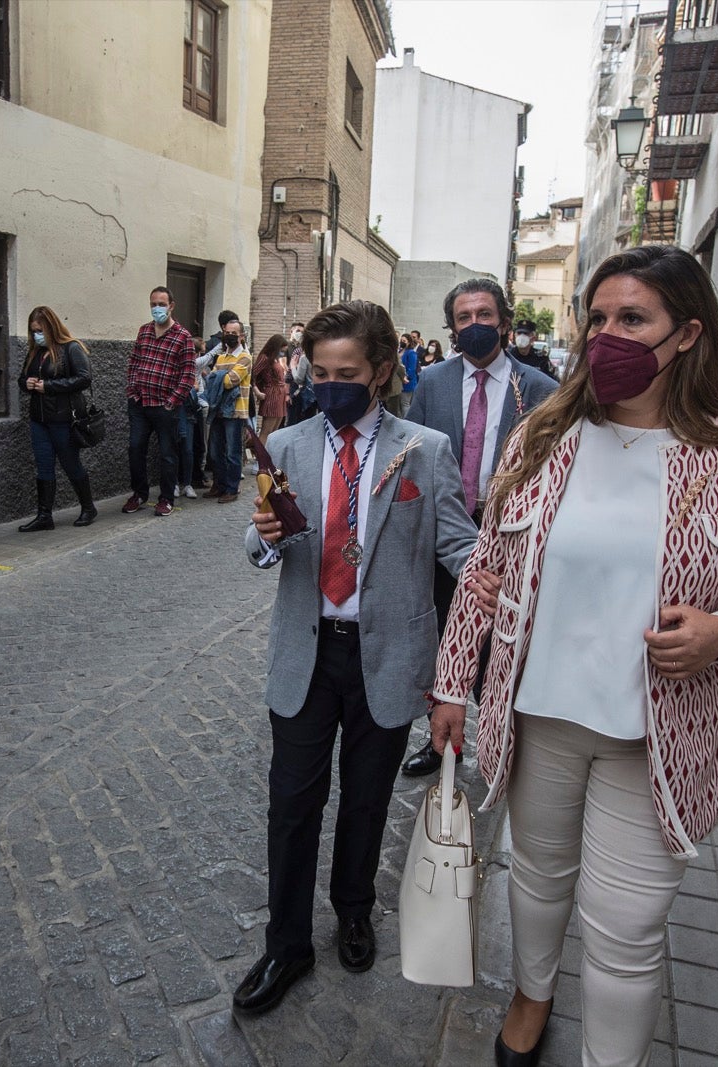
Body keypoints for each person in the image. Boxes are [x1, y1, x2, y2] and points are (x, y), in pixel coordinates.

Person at [430, 246, 718, 1066]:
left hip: (658, 737)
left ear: (688, 334)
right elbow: (484, 572)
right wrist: (454, 683)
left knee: (626, 924)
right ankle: (533, 992)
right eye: (597, 318)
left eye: (632, 319)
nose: (607, 335)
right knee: (537, 878)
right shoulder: (541, 435)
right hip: (541, 714)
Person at [234, 300, 476, 1017]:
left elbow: (458, 547)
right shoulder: (286, 445)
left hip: (391, 655)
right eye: (321, 371)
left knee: (368, 800)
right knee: (292, 802)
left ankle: (353, 909)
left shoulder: (425, 450)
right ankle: (286, 942)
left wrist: (508, 576)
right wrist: (267, 533)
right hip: (307, 655)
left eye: (348, 373)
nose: (331, 384)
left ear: (378, 373)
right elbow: (258, 550)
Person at [401, 278, 557, 777]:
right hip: (444, 533)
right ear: (451, 328)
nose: (474, 326)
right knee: (442, 632)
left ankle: (496, 738)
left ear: (504, 322)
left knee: (497, 636)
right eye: (464, 318)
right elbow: (412, 456)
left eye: (484, 315)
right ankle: (440, 738)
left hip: (508, 536)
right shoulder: (433, 382)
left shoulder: (540, 391)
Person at [18, 306, 96, 530]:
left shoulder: (71, 348)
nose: (36, 335)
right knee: (43, 466)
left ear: (51, 328)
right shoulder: (35, 352)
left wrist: (49, 386)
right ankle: (44, 516)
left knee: (71, 464)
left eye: (40, 330)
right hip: (39, 419)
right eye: (33, 331)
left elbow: (84, 378)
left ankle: (88, 507)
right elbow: (22, 379)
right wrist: (28, 383)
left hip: (64, 419)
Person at [125, 286, 198, 516]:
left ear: (171, 306)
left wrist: (172, 401)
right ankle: (139, 493)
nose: (157, 308)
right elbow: (134, 362)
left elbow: (188, 374)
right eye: (153, 304)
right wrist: (132, 390)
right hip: (140, 403)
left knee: (168, 454)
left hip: (165, 406)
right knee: (135, 449)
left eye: (161, 304)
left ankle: (166, 498)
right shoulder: (144, 331)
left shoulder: (183, 336)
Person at [203, 318, 252, 503]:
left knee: (232, 452)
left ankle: (232, 489)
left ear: (241, 336)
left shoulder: (245, 357)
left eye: (233, 333)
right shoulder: (221, 357)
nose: (229, 336)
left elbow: (230, 380)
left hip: (236, 411)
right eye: (227, 333)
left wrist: (217, 376)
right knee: (215, 452)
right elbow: (213, 379)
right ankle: (219, 485)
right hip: (218, 409)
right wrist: (217, 377)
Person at [252, 333, 289, 446]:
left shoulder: (275, 359)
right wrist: (257, 392)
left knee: (274, 432)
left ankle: (269, 458)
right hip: (272, 394)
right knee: (266, 431)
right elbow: (252, 375)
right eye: (281, 350)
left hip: (279, 394)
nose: (282, 353)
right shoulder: (265, 358)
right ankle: (262, 459)